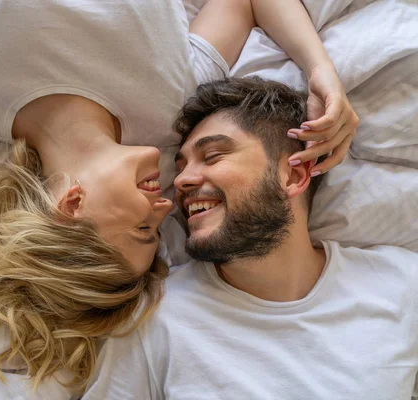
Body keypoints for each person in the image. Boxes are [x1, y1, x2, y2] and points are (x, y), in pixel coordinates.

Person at [0, 0, 358, 390]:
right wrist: (320, 69)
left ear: (71, 206)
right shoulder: (174, 105)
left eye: (143, 228)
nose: (167, 204)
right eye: (160, 228)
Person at [83, 77, 418, 399]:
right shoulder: (151, 319)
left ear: (293, 174)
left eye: (213, 156)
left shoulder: (402, 284)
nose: (182, 180)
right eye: (181, 165)